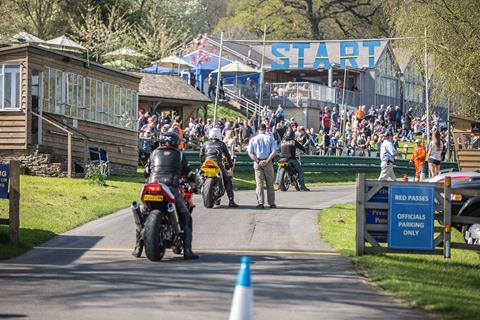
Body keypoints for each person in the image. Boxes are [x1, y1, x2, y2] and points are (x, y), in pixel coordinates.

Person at [135, 131, 199, 260]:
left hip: (152, 187)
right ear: (176, 143)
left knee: (143, 215)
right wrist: (194, 181)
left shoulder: (153, 153)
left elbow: (146, 172)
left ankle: (137, 248)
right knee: (186, 216)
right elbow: (190, 174)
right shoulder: (179, 155)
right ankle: (187, 251)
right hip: (171, 187)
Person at [200, 128, 238, 207]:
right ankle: (231, 201)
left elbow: (201, 155)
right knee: (227, 180)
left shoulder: (205, 143)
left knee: (201, 176)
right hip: (217, 163)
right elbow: (227, 155)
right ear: (219, 135)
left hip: (206, 163)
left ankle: (200, 187)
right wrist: (230, 165)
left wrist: (203, 162)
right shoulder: (221, 144)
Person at [247, 123, 278, 209]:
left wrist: (257, 160)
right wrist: (267, 160)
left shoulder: (253, 139)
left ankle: (260, 203)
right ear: (265, 129)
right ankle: (271, 203)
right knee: (270, 183)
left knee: (259, 183)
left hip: (257, 162)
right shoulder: (270, 138)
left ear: (258, 130)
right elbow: (274, 151)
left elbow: (250, 152)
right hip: (267, 162)